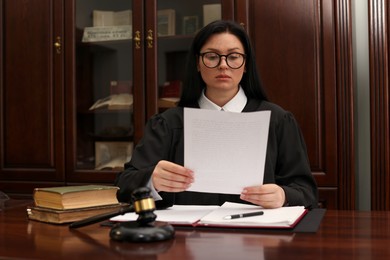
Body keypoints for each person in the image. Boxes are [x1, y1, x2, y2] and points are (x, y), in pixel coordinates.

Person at [115, 20, 318, 209]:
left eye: (233, 56)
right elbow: (124, 185)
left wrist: (283, 195)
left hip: (257, 238)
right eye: (212, 56)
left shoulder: (277, 120)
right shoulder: (168, 123)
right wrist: (151, 179)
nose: (223, 65)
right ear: (198, 63)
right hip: (184, 240)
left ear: (246, 64)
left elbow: (306, 191)